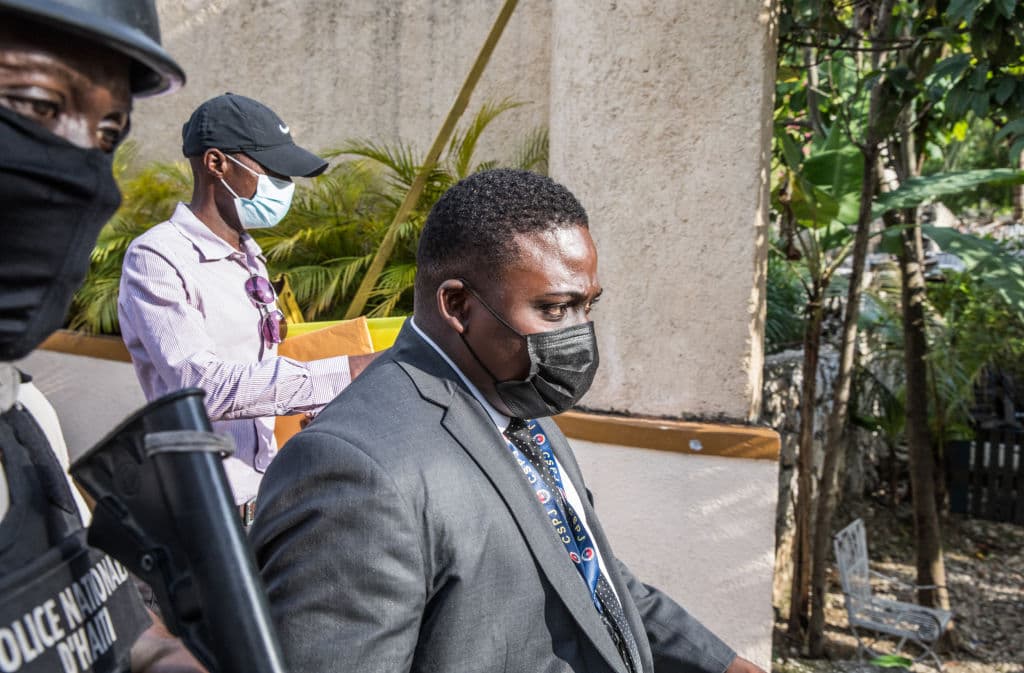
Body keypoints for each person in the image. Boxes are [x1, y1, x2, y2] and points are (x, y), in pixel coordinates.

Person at [251, 169, 767, 673]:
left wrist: (725, 665)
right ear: (457, 304)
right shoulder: (356, 471)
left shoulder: (518, 401)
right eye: (554, 309)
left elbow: (593, 580)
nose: (579, 335)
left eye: (588, 307)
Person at [0, 0, 205, 671]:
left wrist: (162, 656)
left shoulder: (24, 416)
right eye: (34, 103)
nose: (85, 166)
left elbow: (101, 623)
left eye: (109, 130)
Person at [118, 93, 379, 516]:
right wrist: (348, 371)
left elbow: (259, 368)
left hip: (267, 496)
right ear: (216, 164)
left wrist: (321, 406)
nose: (284, 188)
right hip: (204, 509)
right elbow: (205, 391)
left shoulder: (248, 256)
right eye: (272, 172)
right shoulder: (158, 258)